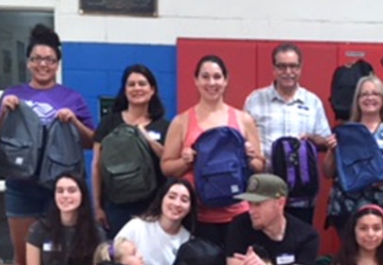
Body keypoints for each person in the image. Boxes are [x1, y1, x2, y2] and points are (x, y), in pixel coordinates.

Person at [0, 24, 96, 265]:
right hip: (21, 186)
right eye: (37, 58)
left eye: (49, 59)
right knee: (24, 256)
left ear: (57, 63)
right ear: (28, 61)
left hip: (60, 187)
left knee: (68, 252)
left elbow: (91, 141)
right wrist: (3, 113)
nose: (43, 64)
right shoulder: (13, 93)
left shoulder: (72, 97)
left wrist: (74, 120)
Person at [161, 55, 265, 249]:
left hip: (237, 212)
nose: (211, 82)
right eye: (205, 76)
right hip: (197, 215)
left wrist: (250, 158)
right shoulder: (181, 121)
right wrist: (185, 161)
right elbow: (166, 167)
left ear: (225, 80)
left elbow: (260, 166)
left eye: (217, 77)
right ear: (196, 80)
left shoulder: (243, 119)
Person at [243, 43, 333, 225]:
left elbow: (326, 141)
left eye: (293, 66)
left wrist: (314, 140)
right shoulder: (255, 100)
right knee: (263, 247)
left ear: (300, 68)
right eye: (281, 66)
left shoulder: (312, 102)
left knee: (298, 246)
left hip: (301, 194)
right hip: (264, 191)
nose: (288, 71)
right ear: (274, 69)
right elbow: (244, 139)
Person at [323, 75, 383, 233]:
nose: (369, 98)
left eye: (375, 94)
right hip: (347, 208)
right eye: (364, 94)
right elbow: (328, 172)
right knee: (350, 256)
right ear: (357, 100)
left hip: (382, 207)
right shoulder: (345, 131)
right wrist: (332, 150)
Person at [91, 64, 169, 238]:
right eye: (131, 84)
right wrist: (98, 207)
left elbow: (167, 161)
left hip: (152, 206)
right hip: (116, 206)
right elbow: (96, 166)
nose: (137, 88)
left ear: (152, 90)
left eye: (142, 84)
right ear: (124, 90)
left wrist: (146, 137)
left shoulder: (164, 126)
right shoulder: (108, 123)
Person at [24, 173, 104, 265]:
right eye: (60, 191)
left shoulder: (95, 231)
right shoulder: (39, 229)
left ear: (83, 195)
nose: (65, 195)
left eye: (72, 190)